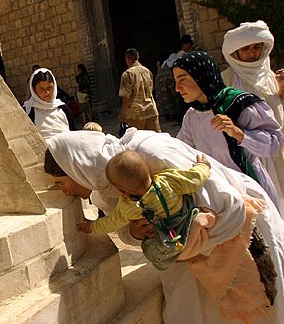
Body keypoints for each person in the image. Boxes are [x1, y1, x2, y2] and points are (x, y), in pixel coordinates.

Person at [45, 129, 284, 324]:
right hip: (186, 257)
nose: (64, 191)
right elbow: (123, 228)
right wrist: (136, 232)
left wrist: (191, 245)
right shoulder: (106, 190)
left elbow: (227, 206)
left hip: (236, 239)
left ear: (74, 168)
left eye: (61, 182)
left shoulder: (147, 153)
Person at [173, 51, 284, 215]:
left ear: (201, 76)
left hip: (252, 190)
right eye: (175, 81)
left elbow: (275, 142)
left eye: (182, 79)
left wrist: (240, 134)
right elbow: (183, 151)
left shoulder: (239, 104)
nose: (177, 88)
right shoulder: (192, 116)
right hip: (220, 196)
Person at [78, 151, 211, 270]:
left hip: (166, 235)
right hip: (185, 221)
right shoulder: (168, 182)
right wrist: (203, 166)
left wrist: (92, 226)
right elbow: (195, 179)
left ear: (122, 192)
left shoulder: (128, 208)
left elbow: (111, 222)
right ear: (149, 170)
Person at [222, 20, 284, 126]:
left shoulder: (269, 75)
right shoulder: (226, 79)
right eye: (245, 48)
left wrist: (281, 86)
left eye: (256, 47)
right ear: (236, 52)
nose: (252, 52)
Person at [23, 67, 76, 139]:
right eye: (42, 89)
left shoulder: (62, 108)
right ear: (34, 90)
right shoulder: (28, 111)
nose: (47, 92)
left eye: (49, 88)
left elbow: (74, 132)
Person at [118, 48, 161, 132]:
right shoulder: (148, 71)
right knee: (156, 139)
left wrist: (122, 114)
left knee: (135, 141)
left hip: (135, 114)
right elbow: (151, 90)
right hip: (151, 111)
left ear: (128, 59)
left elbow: (126, 96)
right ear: (138, 57)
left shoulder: (127, 74)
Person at [154, 53, 182, 121]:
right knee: (172, 98)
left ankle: (171, 116)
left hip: (161, 83)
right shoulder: (169, 63)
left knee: (167, 99)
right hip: (167, 83)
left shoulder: (162, 64)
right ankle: (173, 116)